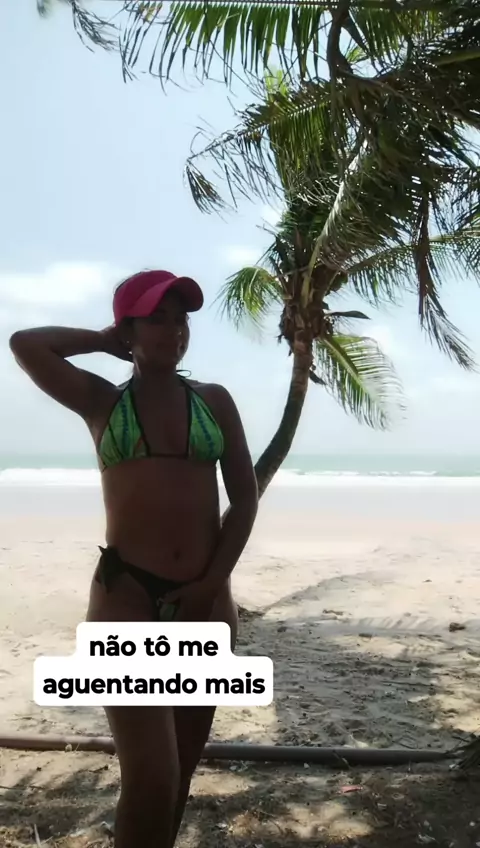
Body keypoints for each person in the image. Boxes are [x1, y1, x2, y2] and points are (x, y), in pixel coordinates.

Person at [9, 269, 259, 848]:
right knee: (151, 778)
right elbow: (26, 343)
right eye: (157, 319)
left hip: (205, 604)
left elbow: (244, 499)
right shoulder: (101, 401)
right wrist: (103, 340)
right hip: (128, 601)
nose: (174, 331)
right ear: (129, 329)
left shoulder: (214, 401)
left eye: (181, 319)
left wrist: (210, 584)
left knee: (178, 779)